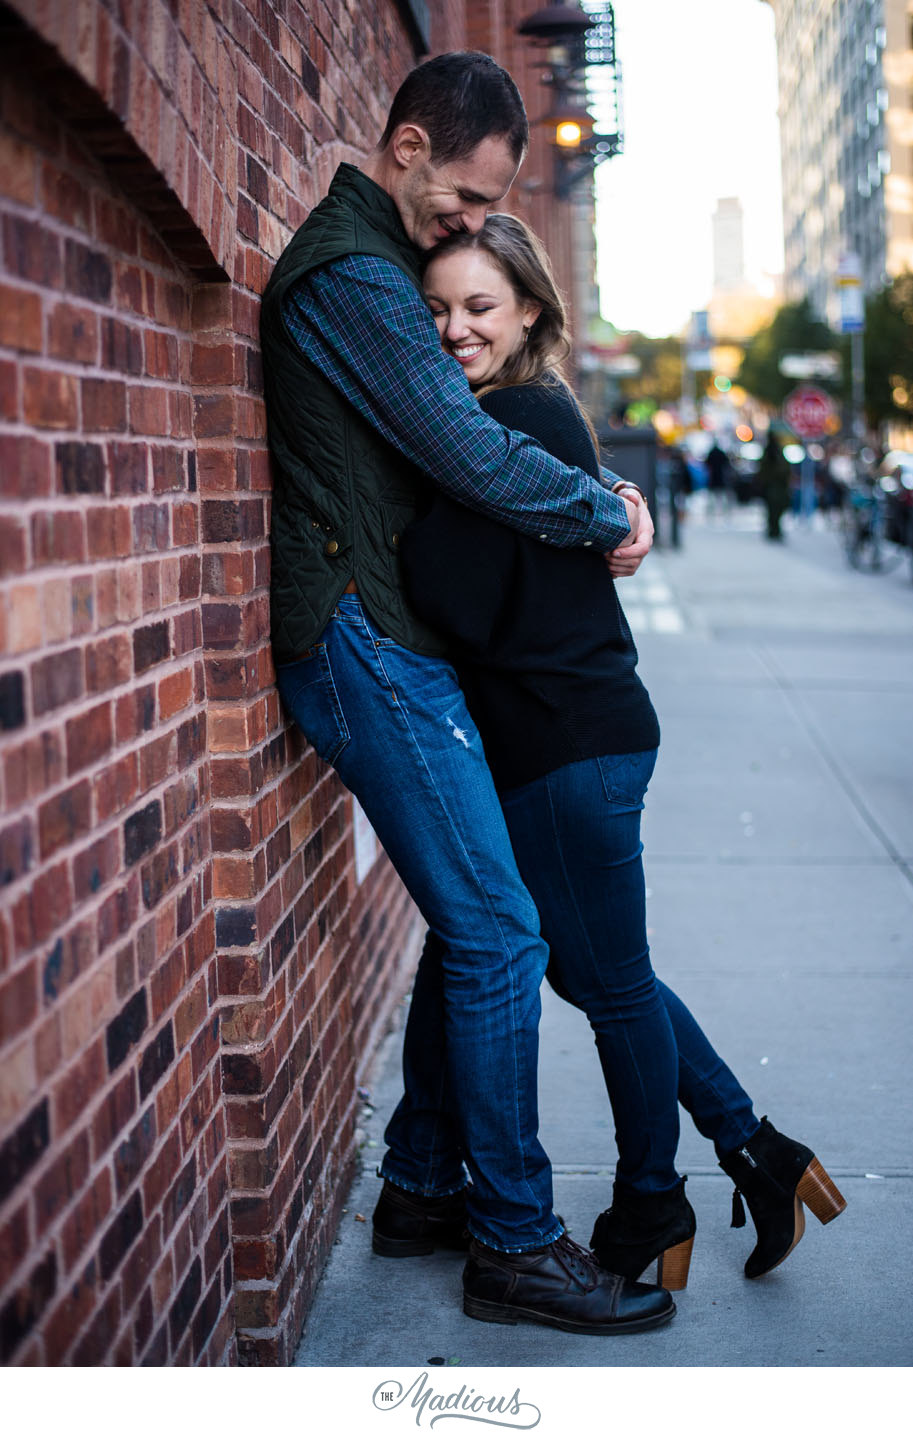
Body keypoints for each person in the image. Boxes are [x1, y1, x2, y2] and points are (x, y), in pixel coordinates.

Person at [260, 51, 671, 1336]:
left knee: (467, 930)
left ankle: (426, 1189)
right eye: (466, 197)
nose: (473, 223)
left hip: (391, 638)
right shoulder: (353, 274)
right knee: (503, 933)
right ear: (409, 146)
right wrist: (598, 509)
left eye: (491, 212)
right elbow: (462, 446)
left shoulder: (383, 265)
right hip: (358, 638)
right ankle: (513, 1241)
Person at [400, 213, 847, 1291]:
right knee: (600, 972)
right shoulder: (518, 419)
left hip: (567, 744)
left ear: (531, 314)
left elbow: (456, 597)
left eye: (479, 307)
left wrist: (399, 527)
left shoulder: (517, 420)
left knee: (608, 985)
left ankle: (656, 1200)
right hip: (576, 739)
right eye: (437, 311)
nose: (455, 328)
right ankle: (753, 1149)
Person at [758, 430, 791, 540]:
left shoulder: (775, 452)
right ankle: (774, 529)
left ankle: (774, 529)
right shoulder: (772, 452)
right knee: (773, 510)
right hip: (773, 487)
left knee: (775, 510)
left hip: (776, 486)